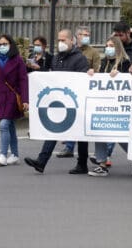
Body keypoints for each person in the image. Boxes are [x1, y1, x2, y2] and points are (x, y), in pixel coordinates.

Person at [24, 29, 90, 174]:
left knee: (81, 134)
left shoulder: (80, 59)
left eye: (63, 40)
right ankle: (41, 162)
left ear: (72, 41)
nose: (60, 43)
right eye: (59, 40)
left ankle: (82, 163)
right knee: (53, 129)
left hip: (75, 102)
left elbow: (82, 80)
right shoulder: (56, 58)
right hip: (60, 102)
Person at [87, 36, 132, 177]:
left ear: (117, 47)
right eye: (107, 45)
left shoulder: (125, 62)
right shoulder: (105, 61)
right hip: (104, 105)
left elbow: (130, 79)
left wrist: (120, 76)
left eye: (111, 45)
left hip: (119, 106)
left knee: (121, 137)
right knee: (99, 131)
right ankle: (101, 163)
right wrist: (92, 74)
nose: (108, 48)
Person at [0, 34, 29, 166]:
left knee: (4, 124)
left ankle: (3, 154)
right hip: (0, 97)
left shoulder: (18, 60)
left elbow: (23, 80)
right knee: (11, 126)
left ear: (11, 45)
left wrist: (25, 99)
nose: (2, 46)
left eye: (5, 44)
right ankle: (14, 155)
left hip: (13, 98)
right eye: (0, 44)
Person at [56, 26, 101, 158]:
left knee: (80, 120)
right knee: (71, 117)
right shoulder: (67, 51)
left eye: (88, 34)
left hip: (84, 90)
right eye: (83, 34)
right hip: (69, 90)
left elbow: (97, 69)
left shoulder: (94, 53)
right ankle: (69, 147)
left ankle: (89, 156)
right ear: (76, 37)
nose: (86, 37)